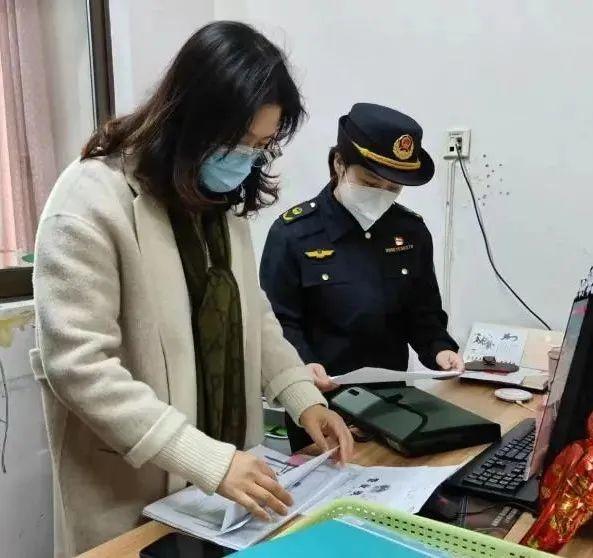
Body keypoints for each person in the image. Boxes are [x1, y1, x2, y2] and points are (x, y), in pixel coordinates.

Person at [30, 22, 352, 557]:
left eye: (261, 146)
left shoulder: (216, 202)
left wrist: (302, 397)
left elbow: (254, 316)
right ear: (188, 118)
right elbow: (79, 366)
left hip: (221, 481)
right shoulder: (90, 200)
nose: (246, 160)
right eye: (237, 143)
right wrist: (207, 459)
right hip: (133, 485)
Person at [260, 103, 463, 452]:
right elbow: (278, 322)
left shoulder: (410, 231)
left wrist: (440, 349)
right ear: (339, 164)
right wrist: (302, 365)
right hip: (320, 405)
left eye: (393, 187)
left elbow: (423, 312)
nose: (380, 194)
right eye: (369, 182)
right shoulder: (293, 234)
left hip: (394, 406)